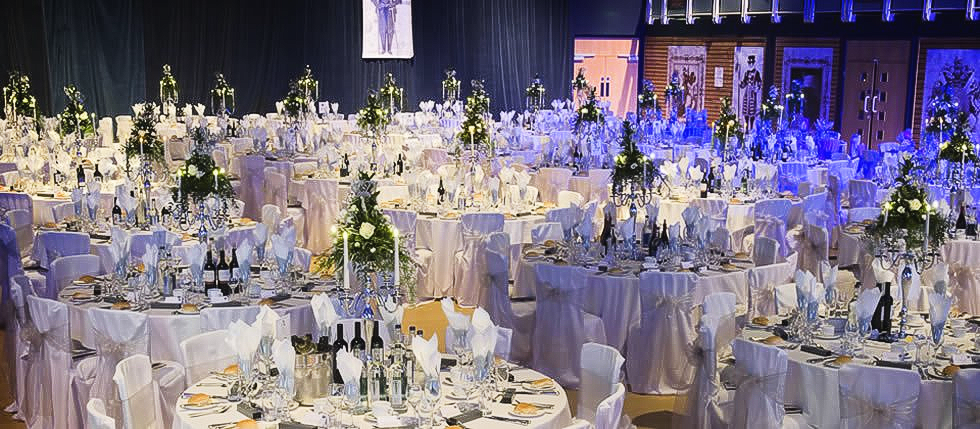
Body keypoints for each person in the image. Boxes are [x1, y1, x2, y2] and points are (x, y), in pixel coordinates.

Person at [738, 55, 763, 130]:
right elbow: (744, 84)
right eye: (749, 63)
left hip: (752, 94)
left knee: (752, 112)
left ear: (754, 63)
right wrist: (740, 83)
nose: (751, 64)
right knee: (746, 111)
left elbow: (760, 82)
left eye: (752, 63)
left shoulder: (757, 73)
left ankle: (751, 128)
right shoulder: (746, 73)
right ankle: (746, 128)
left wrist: (757, 88)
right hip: (746, 93)